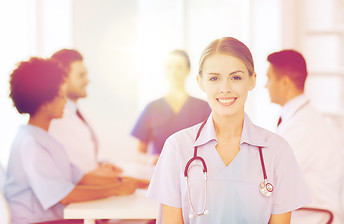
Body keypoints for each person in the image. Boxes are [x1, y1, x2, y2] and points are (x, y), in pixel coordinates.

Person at [147, 37, 310, 224]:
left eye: (236, 77)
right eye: (214, 78)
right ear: (201, 82)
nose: (225, 88)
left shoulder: (278, 151)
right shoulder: (177, 147)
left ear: (252, 80)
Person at [4, 57, 143, 224]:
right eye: (60, 96)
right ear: (45, 102)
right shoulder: (31, 143)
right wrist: (117, 189)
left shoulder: (44, 139)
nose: (64, 102)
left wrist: (123, 181)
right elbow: (63, 196)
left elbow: (79, 177)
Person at [265, 50, 344, 224]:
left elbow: (276, 178)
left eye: (269, 78)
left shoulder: (303, 127)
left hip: (314, 216)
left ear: (285, 83)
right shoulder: (300, 118)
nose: (266, 85)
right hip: (305, 211)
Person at [49, 49, 121, 177]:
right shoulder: (54, 120)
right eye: (81, 75)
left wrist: (99, 164)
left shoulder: (76, 113)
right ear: (62, 79)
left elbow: (78, 158)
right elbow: (64, 172)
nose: (87, 81)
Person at [131, 50, 211, 158]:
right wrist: (153, 160)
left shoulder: (203, 107)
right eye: (169, 67)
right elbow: (139, 152)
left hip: (194, 171)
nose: (173, 72)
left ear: (188, 70)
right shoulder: (152, 108)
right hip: (160, 172)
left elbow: (213, 147)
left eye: (179, 67)